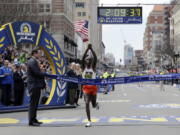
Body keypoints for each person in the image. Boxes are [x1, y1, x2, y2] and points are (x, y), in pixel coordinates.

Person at [27, 49, 47, 126]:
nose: (40, 55)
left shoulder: (34, 61)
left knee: (35, 103)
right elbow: (36, 73)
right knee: (33, 103)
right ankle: (31, 121)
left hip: (36, 85)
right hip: (34, 85)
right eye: (39, 53)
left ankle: (34, 119)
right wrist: (43, 73)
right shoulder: (32, 61)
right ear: (34, 54)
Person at [82, 44, 99, 127]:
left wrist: (91, 49)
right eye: (87, 59)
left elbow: (95, 58)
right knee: (86, 103)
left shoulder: (93, 67)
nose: (88, 60)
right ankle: (89, 121)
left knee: (93, 104)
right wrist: (86, 49)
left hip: (93, 88)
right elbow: (82, 58)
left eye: (89, 60)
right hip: (86, 88)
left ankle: (96, 104)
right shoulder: (83, 67)